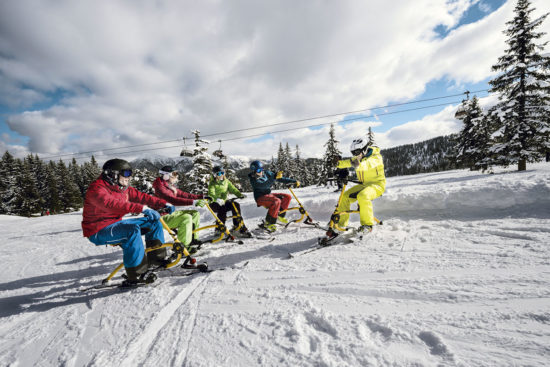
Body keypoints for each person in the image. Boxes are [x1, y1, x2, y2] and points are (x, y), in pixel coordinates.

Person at [82, 158, 174, 285]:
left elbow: (142, 197)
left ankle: (156, 259)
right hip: (98, 230)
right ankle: (136, 274)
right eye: (125, 174)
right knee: (131, 231)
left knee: (153, 221)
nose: (129, 178)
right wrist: (141, 208)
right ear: (113, 174)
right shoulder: (96, 189)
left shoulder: (121, 188)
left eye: (130, 174)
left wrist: (163, 203)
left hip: (115, 224)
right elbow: (112, 204)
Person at [334, 138, 386, 233]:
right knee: (344, 196)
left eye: (357, 152)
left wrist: (357, 164)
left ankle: (367, 225)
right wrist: (337, 164)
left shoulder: (376, 157)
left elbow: (367, 164)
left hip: (377, 185)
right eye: (353, 153)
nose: (355, 155)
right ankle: (341, 224)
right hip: (364, 185)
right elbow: (348, 162)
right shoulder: (359, 157)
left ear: (364, 149)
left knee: (363, 196)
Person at [152, 166, 206, 253]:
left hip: (170, 213)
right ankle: (183, 247)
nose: (176, 178)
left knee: (195, 213)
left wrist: (201, 197)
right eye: (173, 176)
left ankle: (192, 239)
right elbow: (172, 200)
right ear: (166, 176)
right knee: (186, 218)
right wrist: (193, 202)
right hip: (162, 217)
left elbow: (183, 194)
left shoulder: (169, 186)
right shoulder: (160, 188)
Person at [248, 160, 299, 233]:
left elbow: (279, 178)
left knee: (287, 197)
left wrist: (293, 181)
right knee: (276, 201)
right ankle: (269, 223)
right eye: (255, 171)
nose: (257, 172)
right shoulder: (253, 179)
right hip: (260, 197)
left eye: (259, 170)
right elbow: (263, 185)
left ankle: (279, 216)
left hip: (268, 195)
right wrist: (274, 177)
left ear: (262, 169)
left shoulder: (266, 173)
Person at [207, 166, 251, 237]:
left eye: (222, 172)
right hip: (214, 203)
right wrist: (216, 199)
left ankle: (237, 226)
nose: (221, 175)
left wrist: (240, 195)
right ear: (215, 175)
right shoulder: (212, 183)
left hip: (224, 202)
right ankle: (219, 228)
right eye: (219, 174)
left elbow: (233, 189)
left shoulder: (226, 181)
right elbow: (211, 194)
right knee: (222, 209)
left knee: (235, 205)